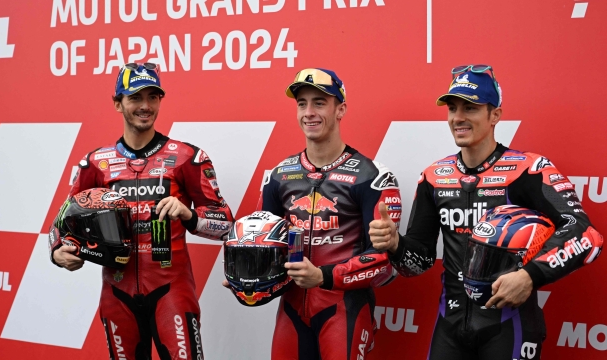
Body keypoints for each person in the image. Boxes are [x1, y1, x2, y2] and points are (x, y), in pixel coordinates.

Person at [368, 65, 604, 360]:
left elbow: (586, 235)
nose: (458, 118)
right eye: (452, 108)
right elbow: (419, 262)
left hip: (509, 324)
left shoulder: (528, 170)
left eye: (470, 108)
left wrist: (530, 277)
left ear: (495, 115)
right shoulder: (434, 177)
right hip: (450, 325)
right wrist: (395, 245)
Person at [49, 62, 234, 360]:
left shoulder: (188, 157)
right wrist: (59, 251)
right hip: (116, 293)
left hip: (171, 291)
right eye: (135, 97)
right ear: (117, 103)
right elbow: (62, 224)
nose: (145, 106)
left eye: (152, 97)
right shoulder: (96, 163)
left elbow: (226, 224)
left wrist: (189, 215)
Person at [258, 68, 402, 359]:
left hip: (344, 310)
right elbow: (266, 247)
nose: (309, 112)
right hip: (290, 310)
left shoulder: (371, 176)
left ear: (341, 109)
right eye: (302, 104)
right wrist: (250, 276)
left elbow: (386, 264)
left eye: (319, 103)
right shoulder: (278, 175)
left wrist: (323, 277)